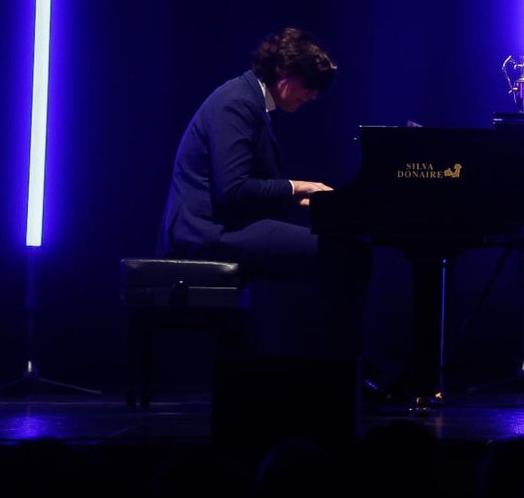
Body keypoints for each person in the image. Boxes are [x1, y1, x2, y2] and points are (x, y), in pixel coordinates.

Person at [157, 25, 372, 360]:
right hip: (208, 232)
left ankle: (316, 366)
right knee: (348, 254)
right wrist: (297, 187)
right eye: (310, 85)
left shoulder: (250, 100)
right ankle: (341, 372)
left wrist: (296, 197)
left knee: (340, 252)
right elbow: (233, 188)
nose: (313, 95)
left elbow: (245, 187)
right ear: (284, 73)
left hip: (227, 224)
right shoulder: (237, 103)